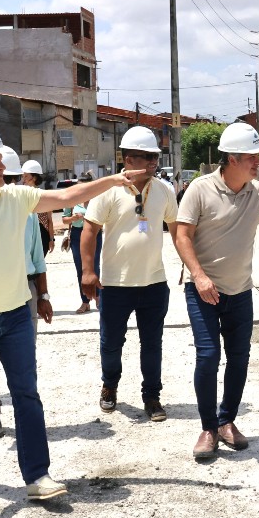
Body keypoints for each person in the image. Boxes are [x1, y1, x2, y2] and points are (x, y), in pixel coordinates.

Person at [0, 124, 142, 502]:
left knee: (27, 395)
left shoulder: (17, 197)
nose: (0, 169)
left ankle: (37, 475)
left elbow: (68, 194)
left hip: (16, 317)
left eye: (0, 162)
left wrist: (113, 180)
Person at [173, 123, 259, 460]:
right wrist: (199, 276)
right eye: (251, 157)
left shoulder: (256, 192)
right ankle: (208, 427)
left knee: (239, 358)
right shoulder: (199, 190)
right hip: (202, 291)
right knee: (208, 355)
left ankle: (227, 420)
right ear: (231, 158)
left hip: (240, 291)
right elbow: (181, 236)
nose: (257, 162)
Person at [81, 127, 178, 422]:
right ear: (127, 158)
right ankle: (109, 385)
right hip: (115, 284)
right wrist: (87, 271)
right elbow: (89, 230)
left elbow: (178, 229)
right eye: (146, 157)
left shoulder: (164, 190)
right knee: (111, 343)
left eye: (154, 157)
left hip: (154, 283)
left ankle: (152, 396)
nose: (152, 162)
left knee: (152, 343)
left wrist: (192, 263)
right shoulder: (107, 190)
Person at [0, 148, 53, 440]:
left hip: (25, 290)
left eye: (11, 178)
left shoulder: (26, 212)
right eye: (5, 178)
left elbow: (37, 257)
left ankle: (27, 412)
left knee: (24, 355)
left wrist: (44, 296)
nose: (8, 185)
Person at [65, 199, 99, 314]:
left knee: (95, 265)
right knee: (80, 267)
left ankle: (98, 298)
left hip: (95, 232)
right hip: (77, 234)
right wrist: (73, 218)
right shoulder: (72, 201)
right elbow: (65, 220)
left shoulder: (96, 200)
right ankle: (85, 301)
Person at [22, 159, 55, 255]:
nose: (23, 179)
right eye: (22, 176)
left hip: (42, 234)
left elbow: (49, 220)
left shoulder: (44, 196)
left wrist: (51, 239)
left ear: (34, 178)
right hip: (26, 234)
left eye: (26, 176)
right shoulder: (21, 195)